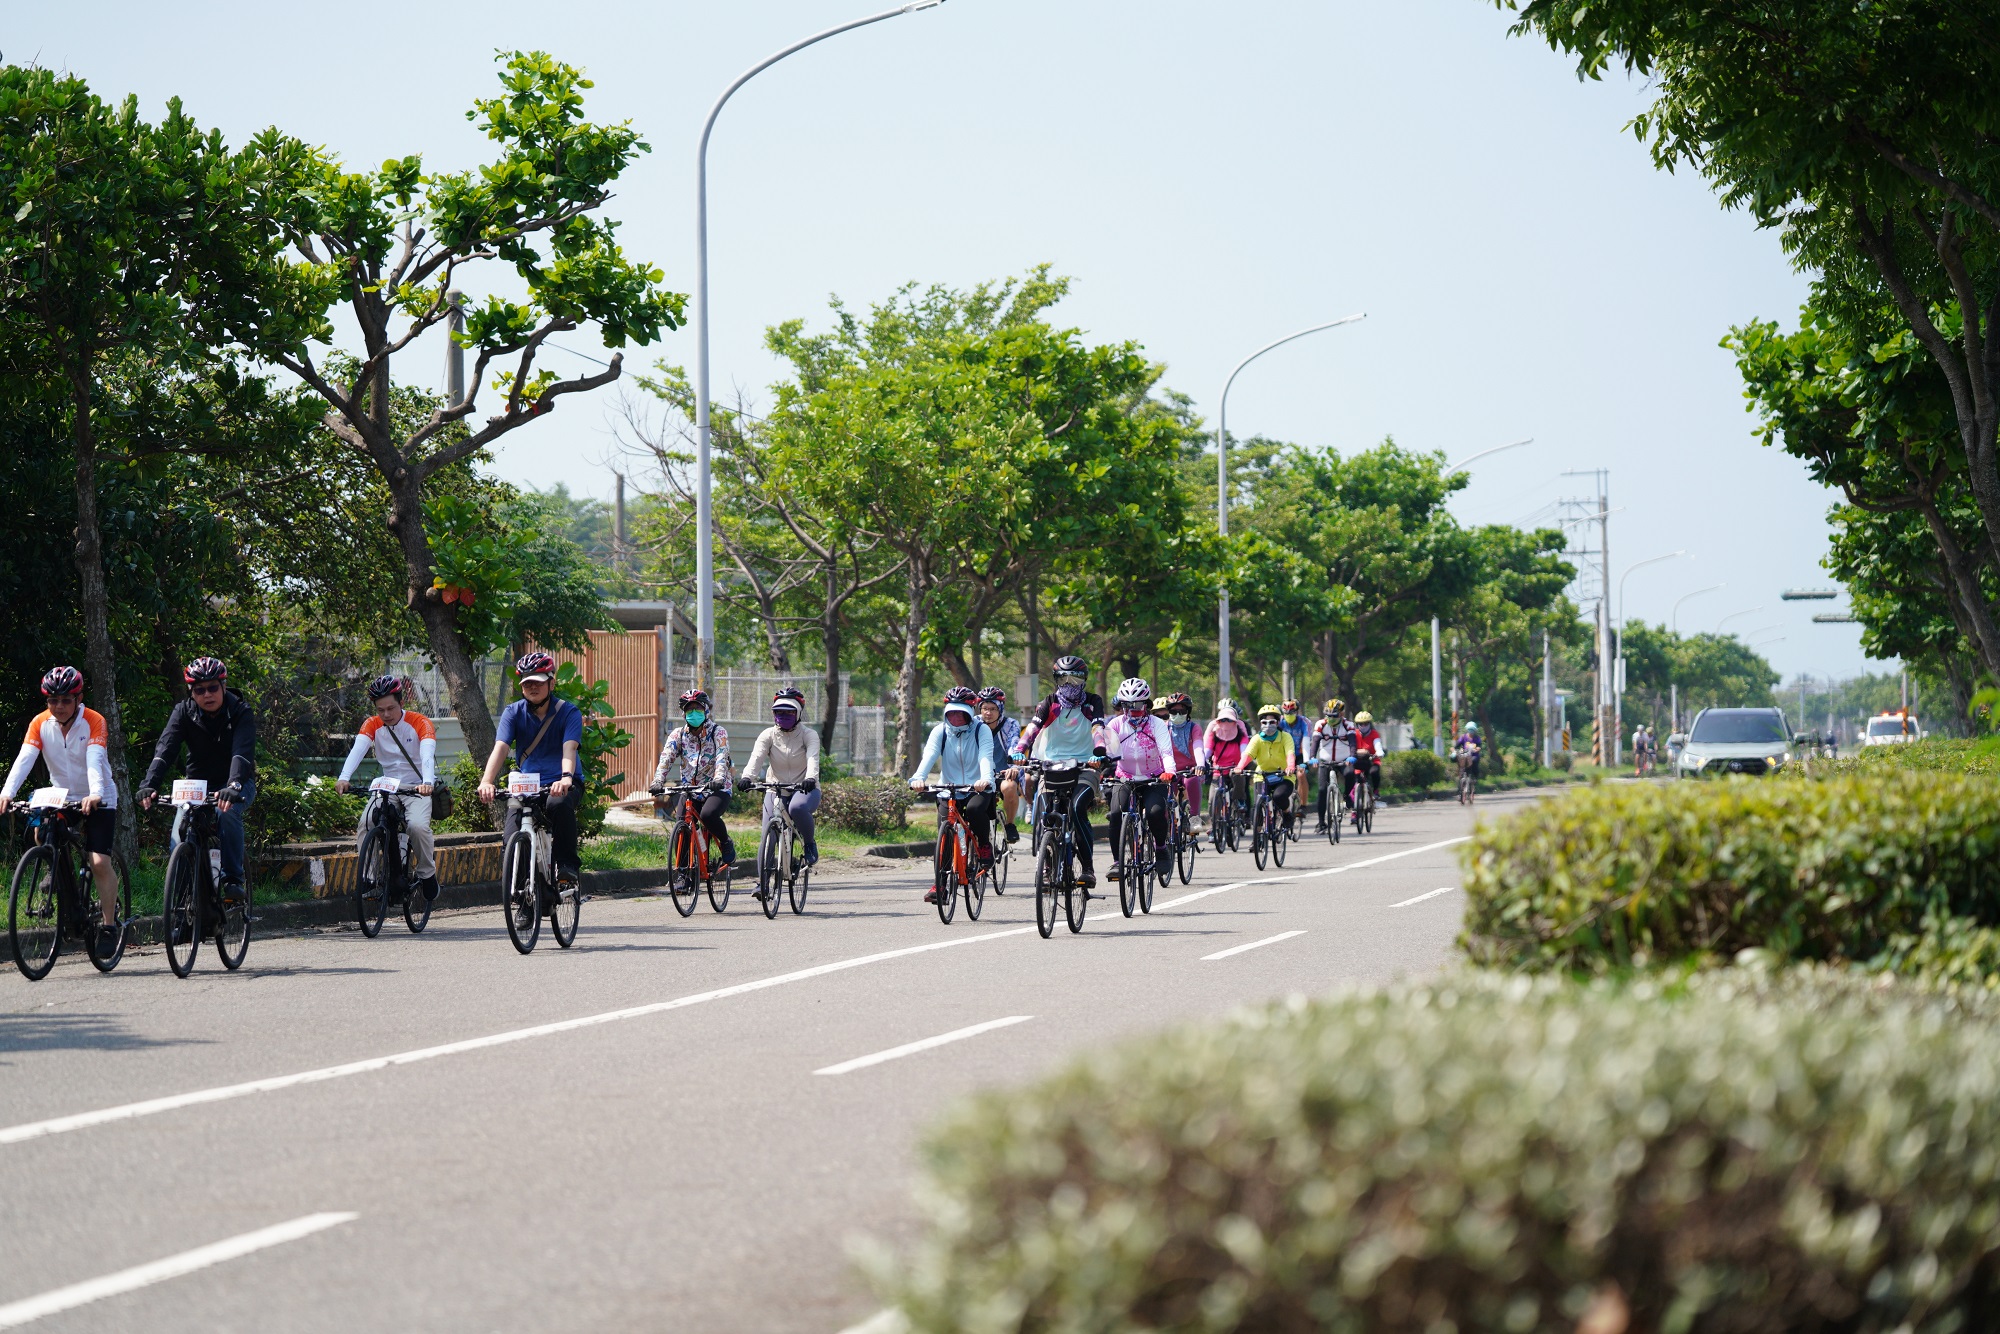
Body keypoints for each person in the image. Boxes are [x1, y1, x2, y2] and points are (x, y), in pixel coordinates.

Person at [2, 666, 120, 955]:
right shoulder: (40, 722)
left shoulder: (94, 720)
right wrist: (6, 793)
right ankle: (56, 871)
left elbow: (95, 758)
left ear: (79, 698)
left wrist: (95, 793)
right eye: (53, 701)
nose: (59, 707)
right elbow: (25, 759)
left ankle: (108, 925)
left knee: (99, 861)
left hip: (98, 796)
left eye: (66, 700)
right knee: (42, 832)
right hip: (63, 796)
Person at [139, 656, 255, 908]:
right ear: (192, 692)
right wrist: (150, 784)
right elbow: (165, 748)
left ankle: (233, 879)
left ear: (224, 686)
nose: (207, 695)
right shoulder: (184, 711)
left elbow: (241, 753)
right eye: (199, 690)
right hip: (197, 786)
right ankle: (180, 909)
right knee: (179, 837)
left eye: (213, 687)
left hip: (235, 784)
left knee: (226, 813)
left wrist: (233, 785)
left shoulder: (240, 711)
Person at [478, 652, 586, 889]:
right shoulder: (513, 712)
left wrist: (566, 777)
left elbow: (569, 749)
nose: (532, 686)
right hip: (527, 784)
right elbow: (501, 748)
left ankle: (567, 866)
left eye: (538, 681)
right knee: (512, 837)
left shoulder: (569, 713)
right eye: (527, 682)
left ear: (552, 682)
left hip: (561, 782)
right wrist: (487, 781)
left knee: (557, 804)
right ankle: (523, 899)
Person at [336, 674, 439, 900]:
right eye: (380, 710)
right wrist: (344, 777)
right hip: (388, 786)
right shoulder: (372, 724)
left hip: (416, 787)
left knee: (418, 827)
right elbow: (357, 750)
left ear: (402, 703)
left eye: (391, 708)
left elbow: (427, 754)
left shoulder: (420, 722)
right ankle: (369, 877)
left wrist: (427, 782)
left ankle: (427, 873)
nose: (386, 715)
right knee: (366, 822)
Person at [1012, 655, 1107, 889]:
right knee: (1046, 816)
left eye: (1074, 678)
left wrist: (1099, 750)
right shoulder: (1049, 702)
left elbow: (1097, 727)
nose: (1069, 684)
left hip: (1086, 766)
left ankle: (1087, 868)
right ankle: (1047, 867)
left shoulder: (1093, 701)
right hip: (1051, 766)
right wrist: (1019, 749)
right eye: (1062, 678)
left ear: (1084, 680)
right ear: (1055, 680)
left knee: (1076, 808)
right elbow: (1033, 728)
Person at [910, 686, 996, 904]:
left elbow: (986, 756)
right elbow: (928, 756)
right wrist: (918, 779)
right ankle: (939, 884)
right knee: (945, 835)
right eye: (951, 712)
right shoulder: (939, 731)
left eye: (961, 713)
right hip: (948, 788)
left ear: (970, 711)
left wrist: (985, 778)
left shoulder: (981, 730)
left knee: (977, 810)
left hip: (977, 786)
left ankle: (984, 845)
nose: (956, 717)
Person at [650, 688, 737, 877]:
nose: (694, 714)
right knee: (682, 826)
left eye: (698, 709)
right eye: (690, 710)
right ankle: (682, 875)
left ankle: (725, 841)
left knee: (708, 815)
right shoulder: (678, 735)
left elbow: (722, 756)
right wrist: (657, 781)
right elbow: (666, 758)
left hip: (716, 787)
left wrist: (719, 779)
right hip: (690, 789)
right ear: (684, 713)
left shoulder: (717, 732)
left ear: (706, 711)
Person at [741, 687, 822, 889]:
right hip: (775, 788)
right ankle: (763, 883)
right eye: (779, 712)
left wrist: (811, 778)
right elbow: (756, 757)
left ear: (799, 713)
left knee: (796, 808)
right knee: (767, 836)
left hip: (805, 788)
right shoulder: (767, 735)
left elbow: (813, 758)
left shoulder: (809, 735)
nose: (783, 716)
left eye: (789, 712)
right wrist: (747, 777)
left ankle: (810, 844)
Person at [1101, 678, 1177, 882]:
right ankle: (1118, 862)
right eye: (1127, 705)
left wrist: (1169, 771)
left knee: (1156, 812)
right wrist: (1099, 760)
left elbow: (1166, 751)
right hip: (1125, 778)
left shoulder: (1157, 724)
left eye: (1137, 704)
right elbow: (1107, 750)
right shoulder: (1115, 724)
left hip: (1153, 779)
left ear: (1146, 704)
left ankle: (1160, 848)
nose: (1132, 709)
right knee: (1116, 813)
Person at [1233, 704, 1298, 832]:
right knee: (1258, 805)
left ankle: (1286, 813)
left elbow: (1290, 753)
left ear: (1278, 722)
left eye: (1272, 722)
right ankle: (1256, 837)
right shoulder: (1257, 739)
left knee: (1279, 797)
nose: (1268, 725)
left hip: (1283, 775)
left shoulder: (1285, 737)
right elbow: (1248, 754)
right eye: (1264, 722)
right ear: (1260, 723)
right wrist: (1240, 767)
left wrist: (1290, 766)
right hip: (1262, 775)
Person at [976, 686, 1024, 843]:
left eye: (993, 709)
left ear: (1000, 709)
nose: (988, 713)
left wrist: (1014, 767)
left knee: (1009, 787)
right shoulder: (974, 723)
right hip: (978, 774)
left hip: (1003, 772)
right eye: (984, 708)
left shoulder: (1010, 724)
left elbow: (1014, 746)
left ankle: (1010, 825)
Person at [1159, 692, 1205, 831]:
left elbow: (1198, 747)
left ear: (1188, 712)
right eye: (1173, 711)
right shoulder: (1162, 727)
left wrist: (1200, 765)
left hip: (1189, 769)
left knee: (1192, 781)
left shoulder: (1194, 728)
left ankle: (1195, 817)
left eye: (1182, 711)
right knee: (1164, 805)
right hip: (1169, 771)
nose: (1178, 715)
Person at [1309, 699, 1356, 831]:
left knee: (1350, 773)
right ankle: (1321, 823)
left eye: (1334, 716)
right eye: (1328, 716)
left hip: (1344, 760)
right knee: (1322, 790)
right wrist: (1312, 757)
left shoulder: (1348, 725)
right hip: (1325, 761)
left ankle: (1347, 797)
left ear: (1341, 714)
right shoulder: (1320, 724)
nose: (1330, 719)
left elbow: (1353, 742)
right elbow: (1315, 742)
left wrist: (1352, 756)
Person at [1203, 698, 1251, 823]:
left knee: (1239, 778)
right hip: (1218, 769)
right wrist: (1202, 762)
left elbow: (1244, 749)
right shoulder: (1213, 730)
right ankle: (1214, 826)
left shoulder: (1241, 729)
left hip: (1236, 767)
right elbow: (1207, 748)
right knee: (1212, 799)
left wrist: (1241, 765)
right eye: (1223, 720)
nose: (1226, 722)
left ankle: (1240, 801)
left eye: (1229, 720)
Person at [1349, 710, 1386, 809]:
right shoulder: (1354, 734)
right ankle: (1355, 809)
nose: (1364, 726)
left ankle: (1375, 791)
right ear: (1357, 724)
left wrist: (1379, 752)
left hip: (1372, 760)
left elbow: (1377, 745)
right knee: (1353, 780)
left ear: (1370, 723)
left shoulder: (1374, 734)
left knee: (1374, 772)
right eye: (1361, 724)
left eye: (1366, 723)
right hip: (1358, 762)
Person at [1278, 699, 1311, 809]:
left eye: (1291, 713)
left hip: (1299, 754)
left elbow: (1306, 742)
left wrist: (1306, 761)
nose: (1289, 715)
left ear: (1297, 712)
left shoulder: (1304, 722)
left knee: (1301, 775)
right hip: (1285, 755)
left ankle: (1303, 805)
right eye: (1286, 713)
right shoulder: (1280, 722)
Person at [1454, 720, 1483, 791]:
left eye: (1472, 730)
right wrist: (1457, 750)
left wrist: (1477, 749)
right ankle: (1460, 790)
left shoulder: (1477, 738)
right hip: (1465, 755)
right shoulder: (1463, 737)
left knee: (1474, 762)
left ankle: (1475, 778)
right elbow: (1457, 746)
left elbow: (1479, 746)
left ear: (1475, 730)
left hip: (1474, 756)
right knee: (1461, 770)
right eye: (1470, 729)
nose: (1471, 731)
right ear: (1467, 729)